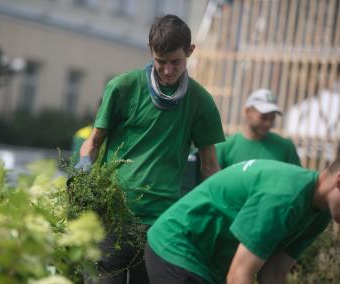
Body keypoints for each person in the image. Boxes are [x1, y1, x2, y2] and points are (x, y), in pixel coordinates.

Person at [76, 14, 225, 284]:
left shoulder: (200, 102)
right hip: (112, 219)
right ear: (150, 51)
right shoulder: (123, 87)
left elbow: (210, 166)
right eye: (160, 62)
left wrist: (220, 210)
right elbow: (94, 141)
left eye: (175, 62)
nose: (167, 70)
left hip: (162, 225)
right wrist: (84, 163)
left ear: (190, 51)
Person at [146, 158, 340, 284]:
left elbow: (273, 273)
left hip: (209, 265)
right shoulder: (283, 197)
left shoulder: (320, 213)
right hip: (178, 248)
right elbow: (239, 277)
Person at [216, 89, 301, 168]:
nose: (268, 123)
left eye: (272, 118)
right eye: (263, 117)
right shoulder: (224, 147)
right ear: (247, 111)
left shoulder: (286, 147)